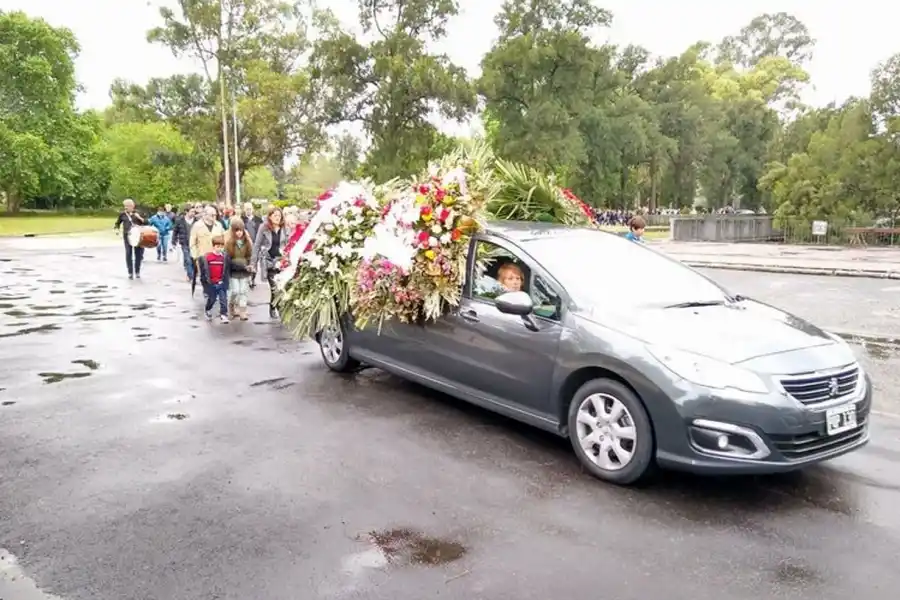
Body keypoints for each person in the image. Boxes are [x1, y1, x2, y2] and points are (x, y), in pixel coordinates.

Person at [251, 206, 288, 319]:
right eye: (275, 215)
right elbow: (256, 245)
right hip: (269, 262)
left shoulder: (284, 228)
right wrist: (253, 262)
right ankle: (275, 308)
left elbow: (288, 243)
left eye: (279, 215)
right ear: (270, 217)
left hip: (281, 262)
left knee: (281, 287)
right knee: (274, 287)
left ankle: (276, 307)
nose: (277, 218)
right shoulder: (264, 227)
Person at [190, 206, 226, 294]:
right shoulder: (197, 226)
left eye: (215, 215)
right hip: (202, 255)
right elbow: (192, 242)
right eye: (212, 215)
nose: (214, 217)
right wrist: (195, 256)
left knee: (216, 274)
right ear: (205, 215)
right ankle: (206, 290)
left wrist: (223, 252)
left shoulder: (219, 225)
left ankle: (214, 290)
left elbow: (224, 239)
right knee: (204, 275)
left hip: (216, 255)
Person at [224, 217, 254, 320]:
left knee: (243, 291)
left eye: (240, 230)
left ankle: (242, 311)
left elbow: (250, 256)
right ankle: (231, 305)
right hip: (233, 271)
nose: (239, 233)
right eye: (236, 230)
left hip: (244, 271)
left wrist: (250, 266)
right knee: (235, 291)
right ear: (233, 231)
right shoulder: (229, 243)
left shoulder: (247, 242)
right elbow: (227, 259)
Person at [198, 235, 231, 323]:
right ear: (213, 246)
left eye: (221, 246)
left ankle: (223, 315)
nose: (219, 248)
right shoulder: (207, 257)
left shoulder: (224, 257)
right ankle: (208, 309)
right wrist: (205, 283)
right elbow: (203, 272)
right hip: (211, 283)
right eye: (217, 246)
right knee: (212, 299)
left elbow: (228, 269)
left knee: (223, 300)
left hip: (221, 283)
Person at [113, 198, 146, 279]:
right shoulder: (122, 214)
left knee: (138, 254)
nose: (126, 208)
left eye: (127, 206)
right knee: (128, 254)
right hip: (127, 236)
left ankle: (137, 271)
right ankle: (130, 272)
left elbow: (147, 222)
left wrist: (139, 218)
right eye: (125, 206)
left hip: (138, 237)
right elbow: (117, 223)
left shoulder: (139, 213)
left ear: (132, 206)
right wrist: (117, 229)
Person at [172, 204, 197, 281]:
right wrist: (174, 241)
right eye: (191, 211)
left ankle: (189, 274)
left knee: (193, 260)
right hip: (184, 243)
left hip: (194, 243)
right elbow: (175, 231)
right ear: (186, 212)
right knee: (187, 259)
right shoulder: (180, 220)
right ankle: (191, 275)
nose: (193, 213)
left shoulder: (196, 221)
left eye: (194, 212)